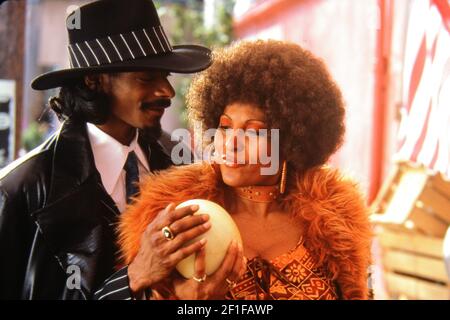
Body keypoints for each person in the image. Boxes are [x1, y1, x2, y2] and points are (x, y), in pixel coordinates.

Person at [117, 40, 373, 300]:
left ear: (291, 141)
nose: (231, 143)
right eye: (225, 127)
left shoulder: (337, 226)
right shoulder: (183, 218)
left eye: (253, 132)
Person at [0, 0, 212, 300]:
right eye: (146, 77)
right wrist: (134, 277)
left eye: (165, 76)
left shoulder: (182, 164)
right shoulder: (22, 190)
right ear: (94, 80)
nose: (166, 91)